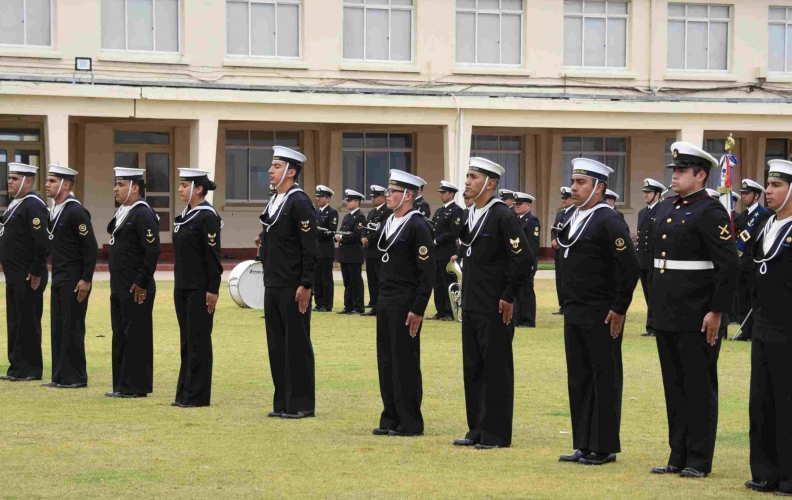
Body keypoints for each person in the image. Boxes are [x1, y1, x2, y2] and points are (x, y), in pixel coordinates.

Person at [649, 142, 740, 478]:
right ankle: (678, 455)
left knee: (698, 387)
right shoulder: (668, 207)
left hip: (698, 314)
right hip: (668, 312)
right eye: (674, 170)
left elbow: (728, 266)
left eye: (682, 171)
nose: (674, 176)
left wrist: (717, 311)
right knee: (674, 387)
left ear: (701, 175)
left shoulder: (710, 211)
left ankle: (698, 459)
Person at [556, 159, 639, 466]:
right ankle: (583, 443)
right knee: (578, 378)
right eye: (573, 181)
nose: (573, 187)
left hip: (601, 312)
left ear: (599, 187)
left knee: (603, 377)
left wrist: (619, 308)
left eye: (581, 182)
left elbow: (629, 267)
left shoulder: (609, 219)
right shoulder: (570, 216)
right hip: (575, 309)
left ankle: (603, 446)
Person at [452, 157, 532, 450]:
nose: (467, 182)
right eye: (468, 176)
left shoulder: (502, 215)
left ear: (491, 183)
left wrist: (509, 295)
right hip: (472, 304)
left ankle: (496, 433)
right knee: (473, 369)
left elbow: (523, 259)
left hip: (495, 305)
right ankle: (477, 428)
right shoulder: (470, 213)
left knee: (496, 370)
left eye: (473, 177)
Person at [372, 170, 436, 437]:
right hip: (386, 300)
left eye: (393, 191)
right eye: (388, 191)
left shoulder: (418, 225)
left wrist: (418, 308)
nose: (387, 195)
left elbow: (427, 272)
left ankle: (410, 421)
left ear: (408, 195)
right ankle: (390, 416)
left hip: (405, 303)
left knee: (405, 363)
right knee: (386, 361)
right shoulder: (389, 220)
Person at [259, 146, 320, 419]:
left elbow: (310, 246)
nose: (270, 171)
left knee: (296, 344)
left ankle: (301, 404)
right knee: (276, 344)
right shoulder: (274, 200)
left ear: (290, 171)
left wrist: (306, 283)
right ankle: (282, 401)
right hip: (273, 281)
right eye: (271, 166)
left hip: (293, 284)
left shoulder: (299, 201)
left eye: (275, 166)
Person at [743, 159, 792, 495]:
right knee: (761, 403)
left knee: (788, 404)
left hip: (789, 329)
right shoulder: (764, 225)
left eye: (776, 186)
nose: (769, 192)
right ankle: (764, 471)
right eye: (769, 185)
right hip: (763, 325)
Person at [106, 167, 161, 398]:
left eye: (120, 184)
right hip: (119, 286)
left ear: (135, 187)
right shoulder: (123, 211)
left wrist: (142, 281)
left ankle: (135, 386)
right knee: (120, 335)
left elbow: (152, 250)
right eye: (116, 184)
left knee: (136, 337)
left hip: (135, 287)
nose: (115, 189)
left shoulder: (143, 213)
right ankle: (121, 384)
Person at [42, 164, 98, 389]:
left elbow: (90, 247)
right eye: (47, 181)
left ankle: (75, 377)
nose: (47, 184)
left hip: (75, 279)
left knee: (72, 327)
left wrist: (86, 278)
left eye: (52, 181)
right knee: (58, 327)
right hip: (59, 277)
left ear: (65, 184)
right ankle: (60, 376)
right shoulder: (55, 209)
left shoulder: (75, 211)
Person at [172, 168, 223, 408]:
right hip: (182, 286)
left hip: (200, 288)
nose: (180, 189)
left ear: (198, 189)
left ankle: (198, 396)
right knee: (186, 341)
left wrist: (213, 289)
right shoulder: (185, 215)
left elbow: (213, 257)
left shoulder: (207, 216)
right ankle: (184, 393)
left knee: (199, 341)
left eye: (184, 185)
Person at [0, 163, 49, 382]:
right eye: (9, 178)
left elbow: (42, 243)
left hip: (29, 274)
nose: (9, 181)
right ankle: (17, 366)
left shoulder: (33, 205)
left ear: (28, 181)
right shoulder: (15, 204)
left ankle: (30, 369)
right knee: (15, 320)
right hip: (14, 274)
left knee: (27, 321)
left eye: (14, 178)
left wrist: (36, 270)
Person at [732, 179, 773, 341]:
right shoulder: (743, 215)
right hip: (741, 264)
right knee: (741, 298)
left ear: (756, 196)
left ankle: (755, 331)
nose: (743, 196)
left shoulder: (765, 214)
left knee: (754, 298)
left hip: (755, 263)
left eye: (747, 193)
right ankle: (745, 330)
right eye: (742, 193)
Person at [427, 180, 464, 321]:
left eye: (443, 193)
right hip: (436, 253)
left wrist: (436, 240)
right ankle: (440, 311)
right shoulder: (440, 210)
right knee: (438, 283)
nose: (440, 195)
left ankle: (450, 311)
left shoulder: (457, 210)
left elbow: (454, 232)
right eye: (440, 193)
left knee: (448, 282)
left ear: (451, 194)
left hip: (448, 252)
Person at [636, 179, 666, 338]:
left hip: (655, 259)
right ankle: (651, 326)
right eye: (644, 192)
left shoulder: (663, 210)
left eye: (648, 192)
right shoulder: (642, 212)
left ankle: (655, 326)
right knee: (648, 294)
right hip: (643, 260)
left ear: (657, 194)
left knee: (656, 294)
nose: (645, 195)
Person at [361, 185, 392, 317]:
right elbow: (365, 227)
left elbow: (383, 230)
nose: (373, 199)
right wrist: (363, 237)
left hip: (379, 251)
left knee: (380, 280)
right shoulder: (372, 212)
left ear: (384, 198)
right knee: (372, 280)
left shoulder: (387, 211)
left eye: (376, 196)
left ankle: (382, 306)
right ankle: (374, 305)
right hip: (370, 252)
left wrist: (369, 239)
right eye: (372, 196)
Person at [336, 190, 366, 315]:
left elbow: (356, 235)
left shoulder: (360, 217)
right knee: (347, 281)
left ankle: (358, 307)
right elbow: (343, 232)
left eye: (349, 201)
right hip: (345, 254)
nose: (346, 203)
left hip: (354, 254)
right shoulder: (347, 216)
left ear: (356, 202)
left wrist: (341, 238)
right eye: (346, 200)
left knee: (355, 281)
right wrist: (337, 236)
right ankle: (348, 306)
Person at [514, 192, 540, 328]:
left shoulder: (532, 221)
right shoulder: (516, 219)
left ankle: (528, 320)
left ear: (528, 205)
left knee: (526, 291)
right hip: (516, 261)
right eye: (516, 204)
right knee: (517, 291)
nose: (516, 206)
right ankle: (518, 319)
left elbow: (533, 245)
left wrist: (528, 262)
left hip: (526, 262)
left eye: (520, 204)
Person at [551, 187, 576, 315]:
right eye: (562, 198)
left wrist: (560, 241)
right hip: (558, 253)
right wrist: (553, 239)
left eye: (566, 198)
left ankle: (569, 306)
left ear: (572, 199)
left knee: (568, 280)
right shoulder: (560, 213)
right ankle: (562, 305)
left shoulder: (575, 212)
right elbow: (554, 229)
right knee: (559, 280)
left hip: (568, 251)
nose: (563, 200)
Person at [313, 185, 338, 313]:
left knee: (325, 278)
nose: (318, 199)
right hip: (316, 249)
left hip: (326, 249)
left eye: (321, 197)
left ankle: (327, 304)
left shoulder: (332, 212)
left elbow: (331, 231)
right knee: (317, 278)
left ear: (328, 199)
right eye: (317, 196)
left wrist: (316, 232)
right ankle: (318, 303)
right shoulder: (316, 212)